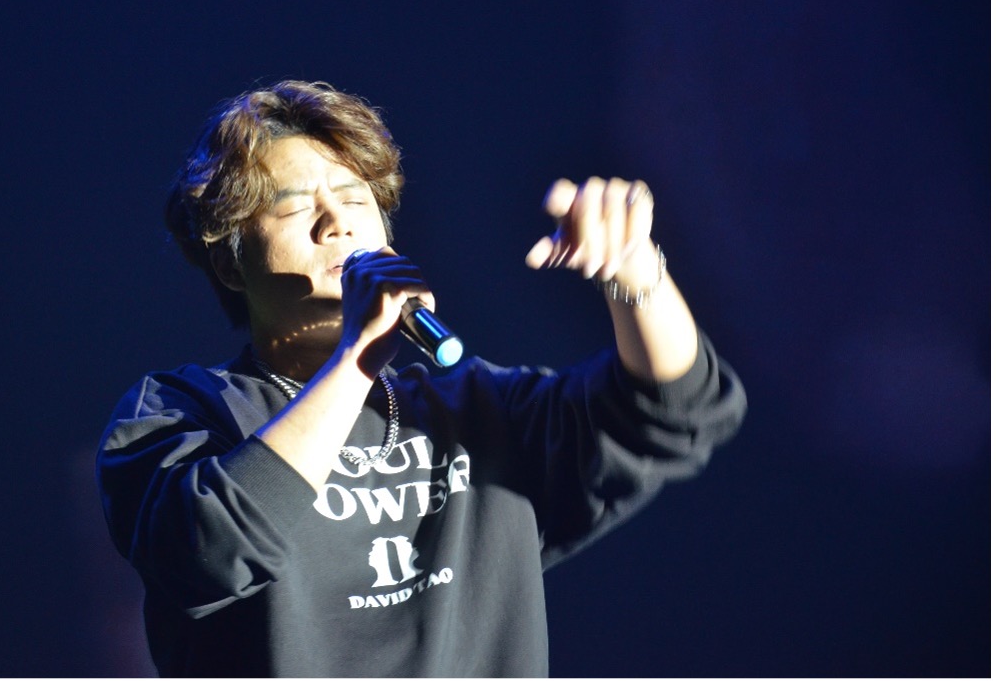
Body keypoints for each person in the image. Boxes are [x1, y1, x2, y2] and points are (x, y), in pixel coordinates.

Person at [96, 79, 746, 677]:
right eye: (296, 209)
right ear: (231, 262)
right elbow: (207, 550)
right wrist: (357, 356)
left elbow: (675, 410)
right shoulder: (182, 412)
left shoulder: (476, 408)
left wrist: (638, 275)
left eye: (355, 199)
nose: (337, 221)